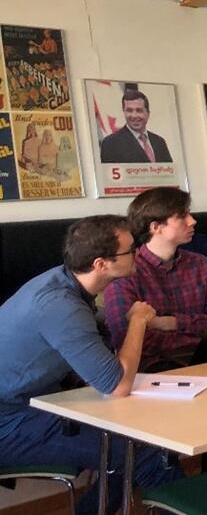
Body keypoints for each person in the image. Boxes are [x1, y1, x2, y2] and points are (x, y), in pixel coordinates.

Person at [0, 215, 180, 514]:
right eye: (130, 250)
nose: (138, 253)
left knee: (131, 444)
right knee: (147, 454)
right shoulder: (62, 306)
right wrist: (138, 321)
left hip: (25, 404)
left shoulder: (62, 281)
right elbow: (118, 385)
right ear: (101, 264)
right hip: (7, 422)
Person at [104, 187, 207, 370]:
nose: (192, 221)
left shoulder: (200, 264)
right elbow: (127, 338)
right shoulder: (126, 271)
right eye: (182, 216)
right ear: (156, 227)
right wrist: (199, 339)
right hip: (154, 370)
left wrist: (170, 323)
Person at [99, 89, 174, 163]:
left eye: (139, 110)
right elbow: (108, 174)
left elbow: (171, 173)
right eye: (129, 110)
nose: (134, 115)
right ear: (124, 112)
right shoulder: (111, 143)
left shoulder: (159, 142)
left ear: (148, 113)